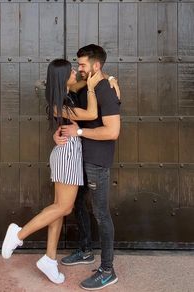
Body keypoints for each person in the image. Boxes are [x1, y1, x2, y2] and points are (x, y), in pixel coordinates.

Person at [1, 58, 117, 285]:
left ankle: (50, 259)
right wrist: (93, 88)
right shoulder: (59, 104)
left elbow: (86, 81)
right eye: (71, 71)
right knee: (64, 207)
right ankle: (18, 234)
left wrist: (109, 78)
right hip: (67, 155)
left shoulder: (65, 95)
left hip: (67, 153)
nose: (76, 73)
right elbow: (92, 114)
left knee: (58, 209)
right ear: (63, 77)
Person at [55, 44, 121, 290]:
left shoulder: (104, 88)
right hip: (82, 157)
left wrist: (79, 131)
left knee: (101, 214)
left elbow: (112, 131)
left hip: (97, 160)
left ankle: (107, 270)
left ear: (96, 65)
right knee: (78, 203)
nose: (79, 69)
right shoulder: (89, 86)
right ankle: (85, 249)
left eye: (82, 65)